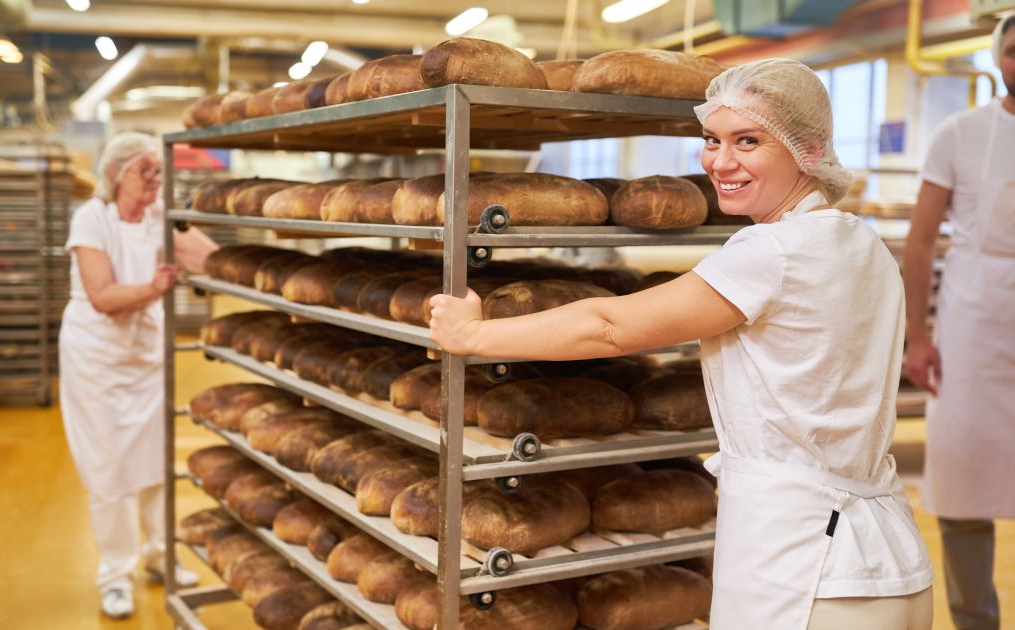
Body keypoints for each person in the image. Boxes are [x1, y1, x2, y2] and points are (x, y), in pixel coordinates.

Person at [429, 58, 933, 629]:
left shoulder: (772, 253)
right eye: (711, 140)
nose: (721, 161)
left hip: (807, 566)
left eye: (748, 141)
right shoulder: (860, 243)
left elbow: (609, 326)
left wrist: (472, 333)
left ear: (810, 150)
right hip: (882, 552)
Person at [59, 132, 218, 619]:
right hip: (97, 359)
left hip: (144, 356)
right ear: (116, 173)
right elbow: (104, 297)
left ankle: (159, 556)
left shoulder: (156, 218)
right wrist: (155, 287)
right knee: (109, 471)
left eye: (158, 170)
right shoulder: (91, 218)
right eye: (145, 169)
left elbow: (212, 260)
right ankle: (114, 574)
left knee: (153, 463)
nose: (155, 179)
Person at [903, 14, 1015, 630]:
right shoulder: (960, 132)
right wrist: (917, 337)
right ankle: (978, 621)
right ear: (998, 57)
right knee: (965, 484)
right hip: (974, 320)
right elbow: (920, 243)